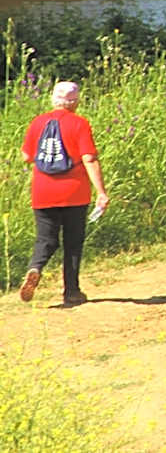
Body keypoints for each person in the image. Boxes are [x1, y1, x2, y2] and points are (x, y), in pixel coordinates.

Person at [19, 80, 109, 306]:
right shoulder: (79, 123)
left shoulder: (38, 122)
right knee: (73, 241)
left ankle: (35, 268)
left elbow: (27, 157)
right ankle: (71, 292)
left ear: (53, 99)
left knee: (45, 239)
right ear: (75, 101)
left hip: (42, 190)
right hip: (74, 191)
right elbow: (89, 158)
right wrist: (101, 191)